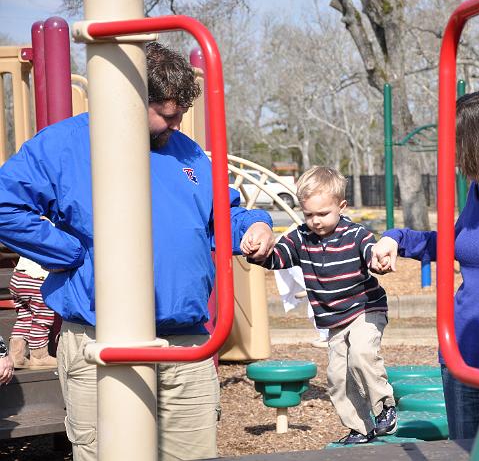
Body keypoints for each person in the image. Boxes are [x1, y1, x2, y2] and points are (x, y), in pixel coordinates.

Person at [0, 42, 275, 461]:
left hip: (185, 344)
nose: (176, 121)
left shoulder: (188, 153)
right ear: (129, 100)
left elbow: (222, 214)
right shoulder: (65, 146)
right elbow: (5, 205)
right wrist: (68, 252)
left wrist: (254, 225)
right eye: (166, 112)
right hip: (102, 342)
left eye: (180, 111)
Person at [371, 91, 479, 440]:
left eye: (456, 146)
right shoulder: (477, 193)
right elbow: (456, 244)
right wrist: (397, 239)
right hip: (462, 357)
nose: (451, 159)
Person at [246, 166, 396, 445]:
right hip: (334, 321)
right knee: (338, 379)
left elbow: (370, 253)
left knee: (362, 354)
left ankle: (385, 406)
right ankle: (361, 428)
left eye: (323, 214)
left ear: (341, 206)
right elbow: (278, 258)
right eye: (309, 214)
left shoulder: (356, 234)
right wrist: (259, 253)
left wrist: (379, 261)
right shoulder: (301, 238)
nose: (315, 221)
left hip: (365, 308)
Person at [8, 256, 55, 369]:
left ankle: (16, 356)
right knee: (42, 319)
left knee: (24, 318)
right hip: (38, 279)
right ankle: (39, 357)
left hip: (18, 277)